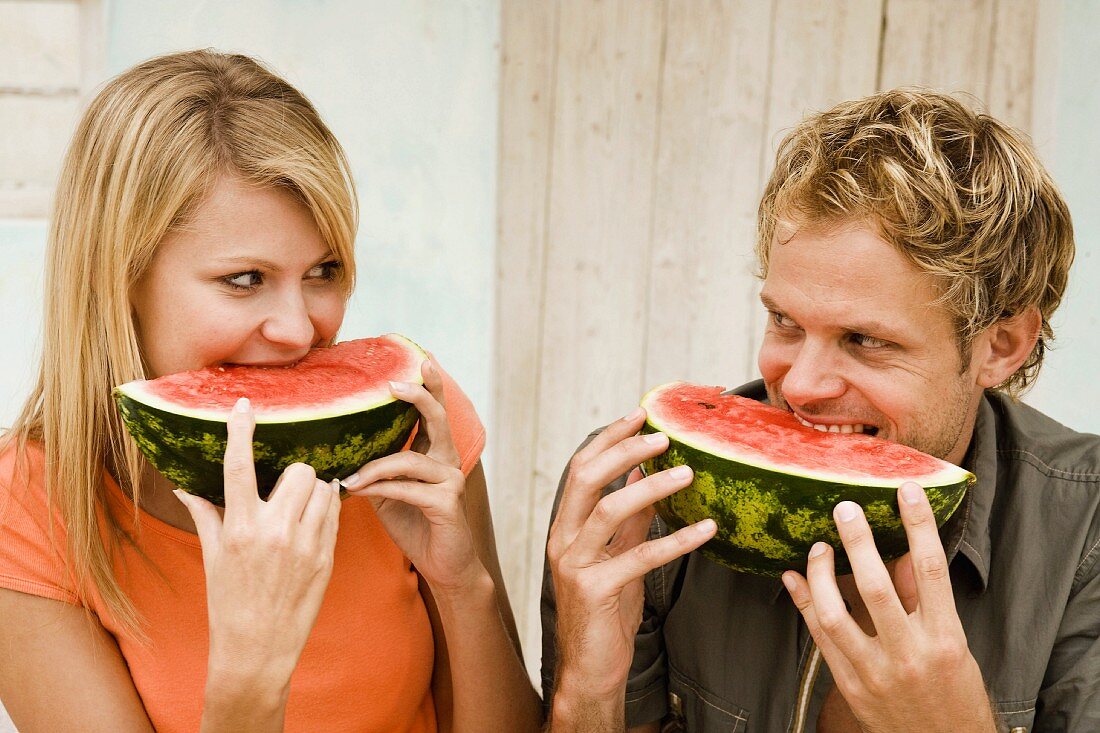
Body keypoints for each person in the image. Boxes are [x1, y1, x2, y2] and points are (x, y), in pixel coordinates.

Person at [0, 50, 541, 733]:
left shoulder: (408, 419)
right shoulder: (27, 514)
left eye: (324, 269)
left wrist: (466, 588)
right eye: (245, 278)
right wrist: (251, 661)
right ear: (119, 279)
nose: (298, 327)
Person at [541, 88, 1099, 732]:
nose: (801, 384)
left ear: (1000, 345)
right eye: (783, 320)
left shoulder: (1084, 535)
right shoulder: (642, 500)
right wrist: (588, 688)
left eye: (866, 340)